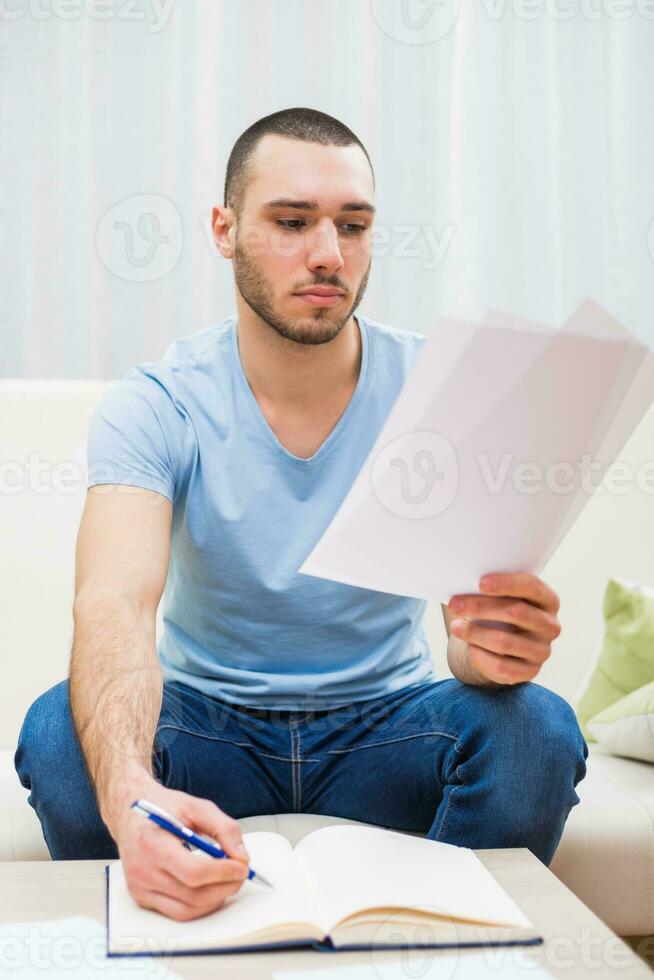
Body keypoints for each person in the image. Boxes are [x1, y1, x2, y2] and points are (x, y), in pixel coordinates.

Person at [15, 107, 587, 924]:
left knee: (535, 728)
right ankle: (167, 914)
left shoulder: (437, 388)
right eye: (291, 222)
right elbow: (115, 603)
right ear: (224, 228)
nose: (328, 253)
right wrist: (133, 791)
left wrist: (490, 653)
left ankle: (435, 943)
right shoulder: (159, 403)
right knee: (59, 737)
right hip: (209, 731)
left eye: (353, 226)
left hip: (387, 730)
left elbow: (464, 640)